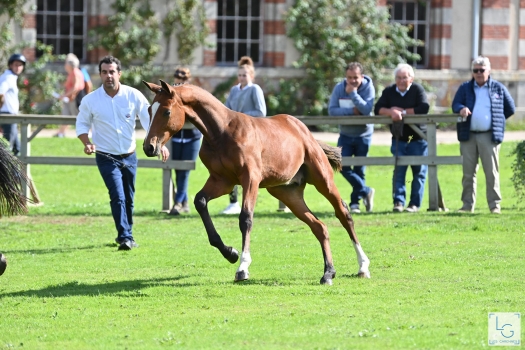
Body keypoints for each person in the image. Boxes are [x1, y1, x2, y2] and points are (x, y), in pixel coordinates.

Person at [76, 55, 169, 250]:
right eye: (104, 72)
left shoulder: (133, 95)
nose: (108, 76)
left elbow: (149, 121)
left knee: (129, 197)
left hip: (129, 155)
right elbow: (82, 123)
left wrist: (161, 145)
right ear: (100, 75)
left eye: (112, 72)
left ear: (119, 74)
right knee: (117, 195)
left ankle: (126, 234)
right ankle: (125, 236)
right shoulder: (90, 100)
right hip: (105, 156)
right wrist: (87, 142)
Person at [452, 56, 515, 214]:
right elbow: (455, 104)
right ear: (472, 72)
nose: (479, 73)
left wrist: (496, 121)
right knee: (468, 173)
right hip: (469, 135)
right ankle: (467, 206)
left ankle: (494, 206)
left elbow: (510, 108)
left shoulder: (498, 88)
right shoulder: (465, 87)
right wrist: (461, 108)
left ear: (489, 70)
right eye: (476, 70)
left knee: (491, 172)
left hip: (489, 136)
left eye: (482, 70)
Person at [374, 63, 430, 213]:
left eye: (404, 78)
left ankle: (414, 204)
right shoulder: (389, 92)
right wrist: (391, 111)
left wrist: (403, 112)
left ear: (411, 79)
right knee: (399, 172)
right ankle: (398, 202)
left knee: (418, 172)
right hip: (399, 139)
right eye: (398, 78)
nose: (401, 81)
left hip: (418, 138)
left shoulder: (417, 89)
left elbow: (423, 108)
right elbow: (377, 108)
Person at [221, 56, 267, 215]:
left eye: (244, 75)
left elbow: (261, 112)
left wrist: (240, 116)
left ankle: (246, 202)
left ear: (251, 76)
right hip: (234, 134)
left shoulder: (255, 89)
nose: (241, 78)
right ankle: (233, 202)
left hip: (249, 134)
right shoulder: (234, 90)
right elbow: (226, 110)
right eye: (240, 75)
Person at [328, 62, 375, 214]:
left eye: (355, 77)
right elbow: (332, 111)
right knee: (341, 165)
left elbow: (366, 110)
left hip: (364, 134)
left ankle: (355, 204)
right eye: (349, 78)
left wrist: (353, 93)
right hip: (345, 134)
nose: (352, 81)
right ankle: (366, 191)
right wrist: (353, 111)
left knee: (359, 169)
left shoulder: (368, 87)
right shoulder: (339, 88)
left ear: (362, 76)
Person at [167, 67, 202, 215]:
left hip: (192, 137)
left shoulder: (193, 94)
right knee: (176, 170)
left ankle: (178, 202)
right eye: (177, 77)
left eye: (182, 78)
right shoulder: (169, 93)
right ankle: (185, 201)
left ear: (188, 80)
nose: (179, 80)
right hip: (175, 137)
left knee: (185, 171)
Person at [0, 53, 26, 156]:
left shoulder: (10, 77)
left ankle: (17, 172)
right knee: (8, 149)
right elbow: (0, 93)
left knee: (16, 148)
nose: (18, 67)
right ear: (10, 65)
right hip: (7, 116)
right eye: (16, 65)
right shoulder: (8, 77)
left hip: (10, 116)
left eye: (20, 65)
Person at [56, 53, 85, 137]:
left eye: (66, 63)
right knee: (66, 115)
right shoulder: (72, 73)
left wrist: (65, 95)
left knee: (80, 116)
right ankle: (61, 133)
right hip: (71, 98)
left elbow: (75, 87)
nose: (65, 65)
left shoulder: (76, 73)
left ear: (70, 65)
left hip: (76, 97)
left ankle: (88, 132)